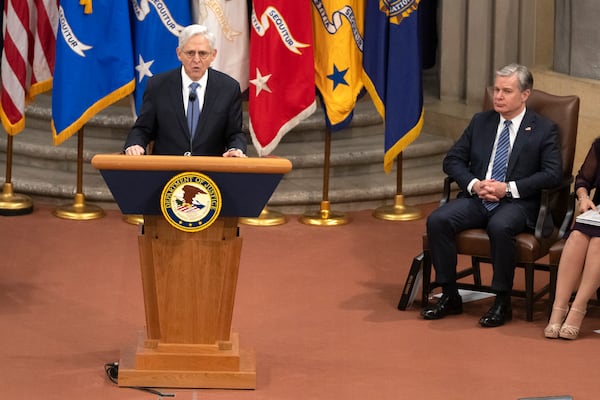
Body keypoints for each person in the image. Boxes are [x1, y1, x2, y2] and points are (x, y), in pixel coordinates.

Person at [421, 64, 563, 327]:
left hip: (518, 203)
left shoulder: (543, 129)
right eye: (496, 89)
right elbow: (452, 160)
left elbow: (553, 174)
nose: (498, 96)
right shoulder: (481, 121)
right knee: (438, 220)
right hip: (478, 198)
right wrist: (474, 184)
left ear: (525, 95)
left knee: (500, 226)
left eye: (506, 91)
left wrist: (507, 188)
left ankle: (501, 300)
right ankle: (450, 295)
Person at [123, 24, 247, 157]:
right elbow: (143, 129)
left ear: (213, 55)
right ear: (179, 54)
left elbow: (234, 133)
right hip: (166, 170)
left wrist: (236, 148)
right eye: (190, 53)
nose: (196, 60)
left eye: (203, 53)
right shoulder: (158, 86)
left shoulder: (228, 88)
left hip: (209, 172)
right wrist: (135, 144)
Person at [544, 138, 600, 339]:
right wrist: (584, 198)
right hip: (597, 213)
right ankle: (559, 308)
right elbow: (583, 179)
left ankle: (578, 308)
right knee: (576, 236)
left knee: (599, 242)